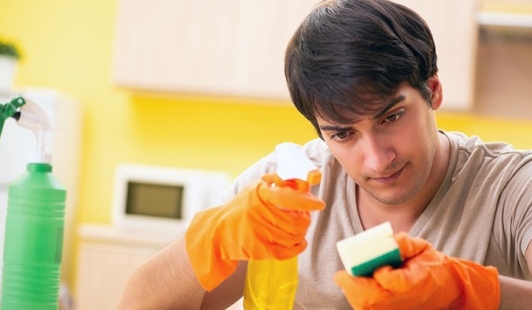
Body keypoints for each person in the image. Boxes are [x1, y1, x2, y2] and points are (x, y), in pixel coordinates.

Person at [116, 0, 532, 309]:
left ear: (433, 91)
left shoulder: (511, 188)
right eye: (344, 134)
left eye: (391, 117)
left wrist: (468, 290)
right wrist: (212, 240)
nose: (376, 158)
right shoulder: (286, 192)